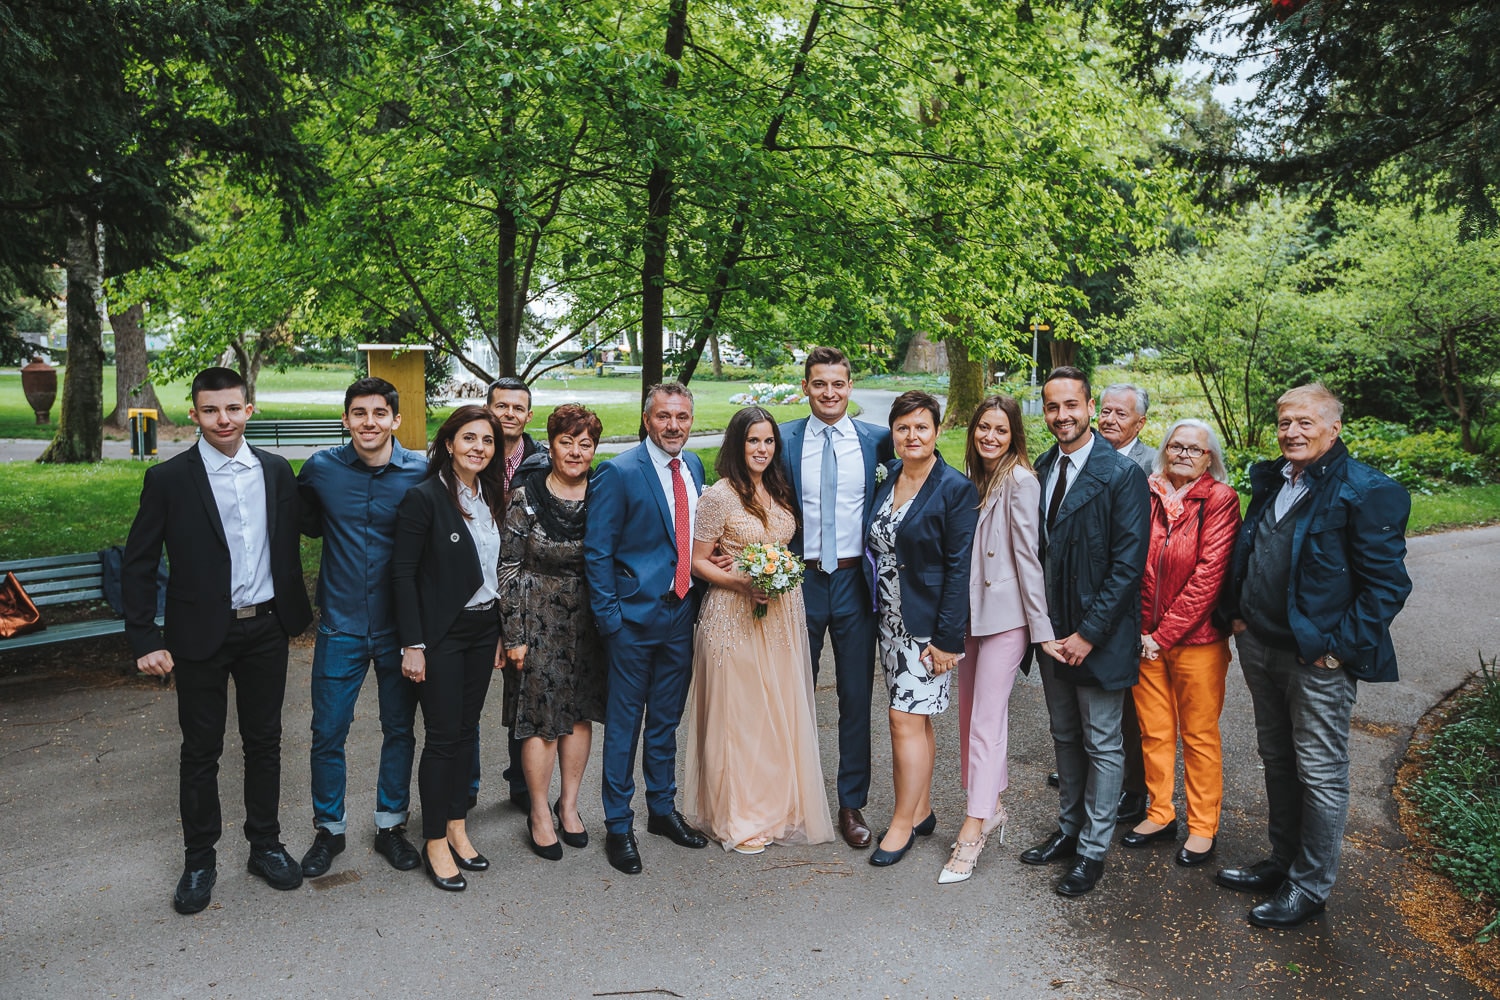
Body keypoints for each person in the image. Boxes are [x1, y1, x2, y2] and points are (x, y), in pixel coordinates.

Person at [1218, 384, 1412, 928]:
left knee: (1320, 772)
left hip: (1316, 660)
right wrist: (1237, 614)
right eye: (1284, 422)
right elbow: (1255, 546)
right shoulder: (1273, 479)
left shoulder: (1367, 490)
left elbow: (1386, 588)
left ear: (1334, 429)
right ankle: (1283, 862)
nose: (1291, 432)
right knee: (1277, 760)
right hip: (1260, 644)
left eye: (1305, 422)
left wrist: (1337, 649)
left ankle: (1310, 886)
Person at [121, 366, 314, 915]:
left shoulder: (277, 472)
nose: (223, 419)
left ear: (249, 409)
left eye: (233, 408)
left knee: (265, 741)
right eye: (211, 410)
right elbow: (137, 564)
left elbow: (316, 522)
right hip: (199, 633)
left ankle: (265, 845)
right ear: (195, 414)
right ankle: (199, 858)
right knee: (201, 751)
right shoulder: (169, 480)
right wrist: (144, 638)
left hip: (266, 629)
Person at [1019, 366, 1149, 898]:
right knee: (1065, 737)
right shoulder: (1045, 466)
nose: (1061, 416)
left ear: (1090, 407)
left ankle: (1093, 850)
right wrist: (1045, 630)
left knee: (1102, 742)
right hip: (1053, 636)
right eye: (1052, 407)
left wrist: (1088, 634)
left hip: (1099, 637)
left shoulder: (1121, 474)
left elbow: (1127, 566)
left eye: (1071, 405)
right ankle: (1068, 831)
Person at [683, 407, 835, 854]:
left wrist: (777, 573)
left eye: (768, 441)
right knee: (741, 718)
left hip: (781, 615)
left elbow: (785, 545)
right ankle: (738, 816)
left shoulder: (779, 490)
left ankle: (774, 809)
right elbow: (697, 560)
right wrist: (741, 581)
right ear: (737, 444)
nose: (762, 449)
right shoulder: (719, 497)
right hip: (732, 614)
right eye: (753, 441)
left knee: (777, 714)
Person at [296, 377, 427, 878]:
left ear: (396, 419)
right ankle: (329, 829)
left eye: (379, 413)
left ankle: (391, 825)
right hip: (341, 625)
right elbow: (296, 522)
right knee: (328, 731)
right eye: (358, 413)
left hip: (400, 630)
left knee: (399, 729)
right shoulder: (321, 469)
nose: (368, 422)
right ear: (346, 419)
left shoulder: (421, 471)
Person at [584, 382, 711, 874]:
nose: (673, 425)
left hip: (680, 616)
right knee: (624, 728)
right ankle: (619, 824)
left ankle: (662, 809)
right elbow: (597, 551)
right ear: (647, 419)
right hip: (631, 623)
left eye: (681, 416)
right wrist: (611, 621)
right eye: (663, 416)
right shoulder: (618, 473)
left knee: (664, 722)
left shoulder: (695, 467)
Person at [779, 346, 893, 850]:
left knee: (854, 697)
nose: (829, 393)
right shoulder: (782, 439)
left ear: (851, 388)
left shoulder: (878, 443)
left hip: (853, 582)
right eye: (819, 383)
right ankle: (789, 798)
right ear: (805, 386)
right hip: (797, 580)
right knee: (791, 695)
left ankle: (851, 803)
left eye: (838, 384)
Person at [391, 405, 507, 892]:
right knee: (442, 739)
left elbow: (495, 571)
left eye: (487, 440)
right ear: (449, 442)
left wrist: (500, 631)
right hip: (440, 634)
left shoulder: (492, 496)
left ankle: (458, 825)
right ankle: (434, 839)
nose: (478, 447)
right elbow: (401, 574)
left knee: (465, 733)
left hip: (483, 630)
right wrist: (413, 644)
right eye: (469, 438)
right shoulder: (424, 498)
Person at [939, 395, 1052, 885]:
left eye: (1000, 431)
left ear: (1014, 437)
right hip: (969, 618)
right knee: (969, 720)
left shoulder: (1022, 481)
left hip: (1006, 619)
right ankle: (994, 804)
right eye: (983, 428)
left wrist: (1041, 632)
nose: (989, 437)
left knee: (987, 720)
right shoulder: (975, 479)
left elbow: (1030, 558)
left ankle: (972, 828)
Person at [864, 390, 978, 868]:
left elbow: (959, 568)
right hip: (889, 621)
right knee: (917, 717)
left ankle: (902, 822)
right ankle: (924, 808)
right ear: (894, 432)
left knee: (902, 719)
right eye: (903, 427)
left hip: (927, 628)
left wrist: (948, 639)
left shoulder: (954, 488)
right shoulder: (888, 475)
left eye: (922, 427)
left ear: (937, 432)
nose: (912, 435)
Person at [1121, 419, 1241, 868]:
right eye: (1176, 446)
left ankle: (1203, 827)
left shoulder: (1220, 499)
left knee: (1199, 735)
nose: (1184, 454)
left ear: (1210, 458)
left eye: (1195, 449)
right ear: (1164, 449)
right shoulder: (1146, 491)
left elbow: (1209, 575)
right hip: (1144, 640)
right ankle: (1159, 813)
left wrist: (1163, 635)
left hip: (1198, 641)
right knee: (1153, 731)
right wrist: (1141, 633)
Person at [499, 404, 607, 861]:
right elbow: (506, 567)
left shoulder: (604, 495)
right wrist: (514, 634)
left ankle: (569, 805)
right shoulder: (525, 495)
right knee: (541, 721)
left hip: (587, 621)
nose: (576, 452)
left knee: (579, 716)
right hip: (536, 616)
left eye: (585, 444)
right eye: (567, 442)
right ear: (552, 443)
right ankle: (539, 812)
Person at [478, 376, 549, 813]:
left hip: (523, 592)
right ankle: (463, 789)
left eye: (516, 408)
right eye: (501, 406)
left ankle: (523, 786)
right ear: (489, 407)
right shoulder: (470, 452)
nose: (508, 414)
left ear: (528, 415)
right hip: (471, 589)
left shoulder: (542, 463)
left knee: (522, 691)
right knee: (463, 696)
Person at [1089, 382, 1154, 824]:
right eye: (1106, 411)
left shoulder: (1149, 464)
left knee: (1131, 703)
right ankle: (1101, 774)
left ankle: (1133, 787)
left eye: (1121, 414)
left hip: (1136, 595)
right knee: (1098, 699)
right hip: (1093, 594)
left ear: (1140, 423)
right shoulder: (1088, 453)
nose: (1110, 420)